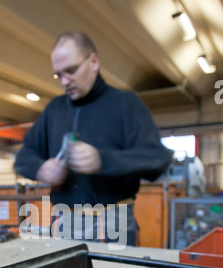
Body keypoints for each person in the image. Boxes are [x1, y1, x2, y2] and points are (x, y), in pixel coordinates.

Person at [14, 31, 172, 246]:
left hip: (114, 223)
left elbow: (156, 159)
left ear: (94, 61)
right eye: (58, 75)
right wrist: (41, 169)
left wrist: (103, 160)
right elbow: (24, 156)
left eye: (70, 71)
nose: (64, 81)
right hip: (64, 222)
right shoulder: (54, 110)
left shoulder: (125, 104)